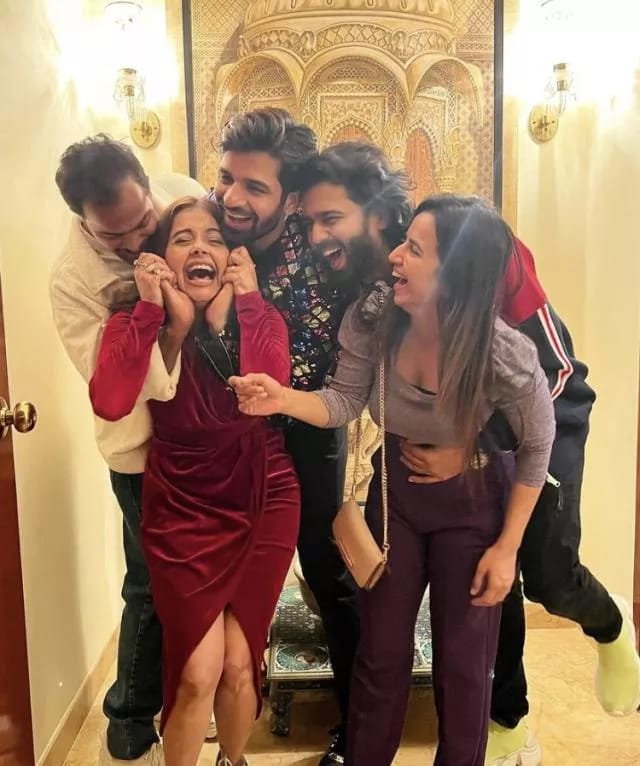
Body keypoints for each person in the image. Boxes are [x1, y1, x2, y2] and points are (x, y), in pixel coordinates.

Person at [298, 142, 640, 766]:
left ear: (379, 215)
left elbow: (547, 379)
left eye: (330, 219)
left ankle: (607, 626)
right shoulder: (372, 281)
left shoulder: (478, 251)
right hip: (426, 453)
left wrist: (476, 451)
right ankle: (506, 718)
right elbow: (352, 389)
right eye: (309, 221)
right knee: (434, 618)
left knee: (538, 571)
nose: (317, 236)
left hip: (546, 407)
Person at [231, 195, 556, 766]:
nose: (395, 258)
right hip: (396, 497)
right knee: (380, 654)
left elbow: (536, 447)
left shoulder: (505, 353)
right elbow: (343, 401)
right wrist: (282, 398)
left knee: (463, 665)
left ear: (455, 274)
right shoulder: (375, 318)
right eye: (404, 242)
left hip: (474, 503)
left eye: (415, 250)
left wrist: (507, 549)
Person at [89, 196, 300, 766]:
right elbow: (111, 401)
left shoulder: (258, 315)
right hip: (182, 504)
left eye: (214, 238)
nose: (200, 247)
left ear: (233, 258)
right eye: (182, 239)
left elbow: (268, 389)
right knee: (197, 670)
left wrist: (241, 306)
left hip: (264, 492)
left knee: (239, 662)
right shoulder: (134, 320)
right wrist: (162, 316)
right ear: (160, 258)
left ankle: (233, 760)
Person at [50, 135, 214, 766]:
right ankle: (130, 719)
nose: (134, 241)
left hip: (208, 432)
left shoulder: (183, 197)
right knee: (152, 582)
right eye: (113, 236)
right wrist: (159, 319)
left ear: (150, 189)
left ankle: (195, 696)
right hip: (143, 449)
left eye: (143, 222)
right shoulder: (73, 282)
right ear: (83, 221)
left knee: (207, 575)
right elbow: (114, 387)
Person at [209, 108, 357, 765]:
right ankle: (227, 705)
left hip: (306, 428)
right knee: (220, 567)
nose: (232, 197)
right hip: (224, 436)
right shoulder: (206, 225)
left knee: (326, 569)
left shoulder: (323, 255)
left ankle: (358, 725)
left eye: (254, 187)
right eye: (226, 178)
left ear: (291, 198)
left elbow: (307, 370)